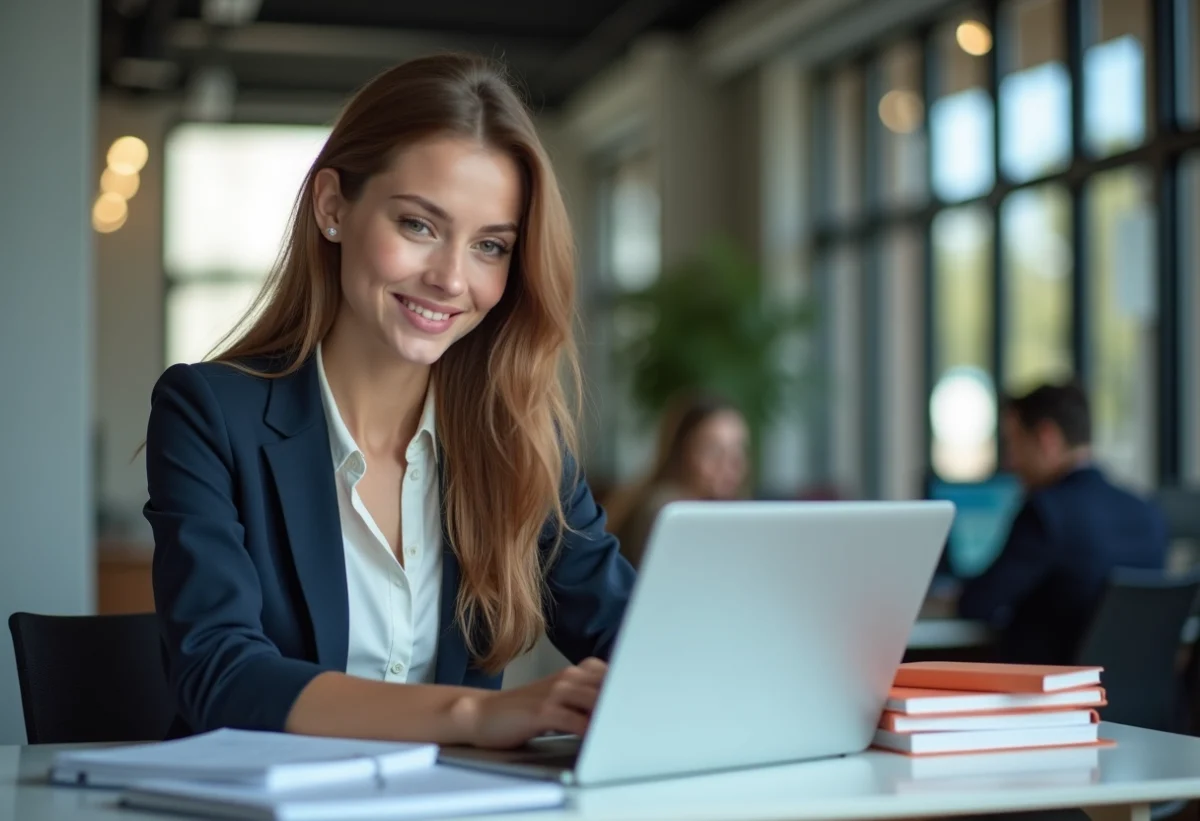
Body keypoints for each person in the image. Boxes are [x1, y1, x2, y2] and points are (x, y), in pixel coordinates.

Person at [143, 53, 635, 749]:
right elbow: (220, 674)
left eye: (490, 246)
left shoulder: (516, 440)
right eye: (419, 226)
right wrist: (472, 715)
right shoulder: (207, 414)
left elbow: (635, 636)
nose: (450, 279)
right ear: (333, 208)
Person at [957, 381, 1168, 664]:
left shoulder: (1047, 513)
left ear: (1047, 438)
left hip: (1056, 700)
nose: (1010, 463)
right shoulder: (1148, 513)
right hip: (1140, 703)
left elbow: (976, 604)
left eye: (1015, 443)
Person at [604, 394, 749, 569]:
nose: (731, 462)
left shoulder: (723, 511)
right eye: (713, 449)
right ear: (680, 453)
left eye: (738, 448)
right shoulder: (664, 510)